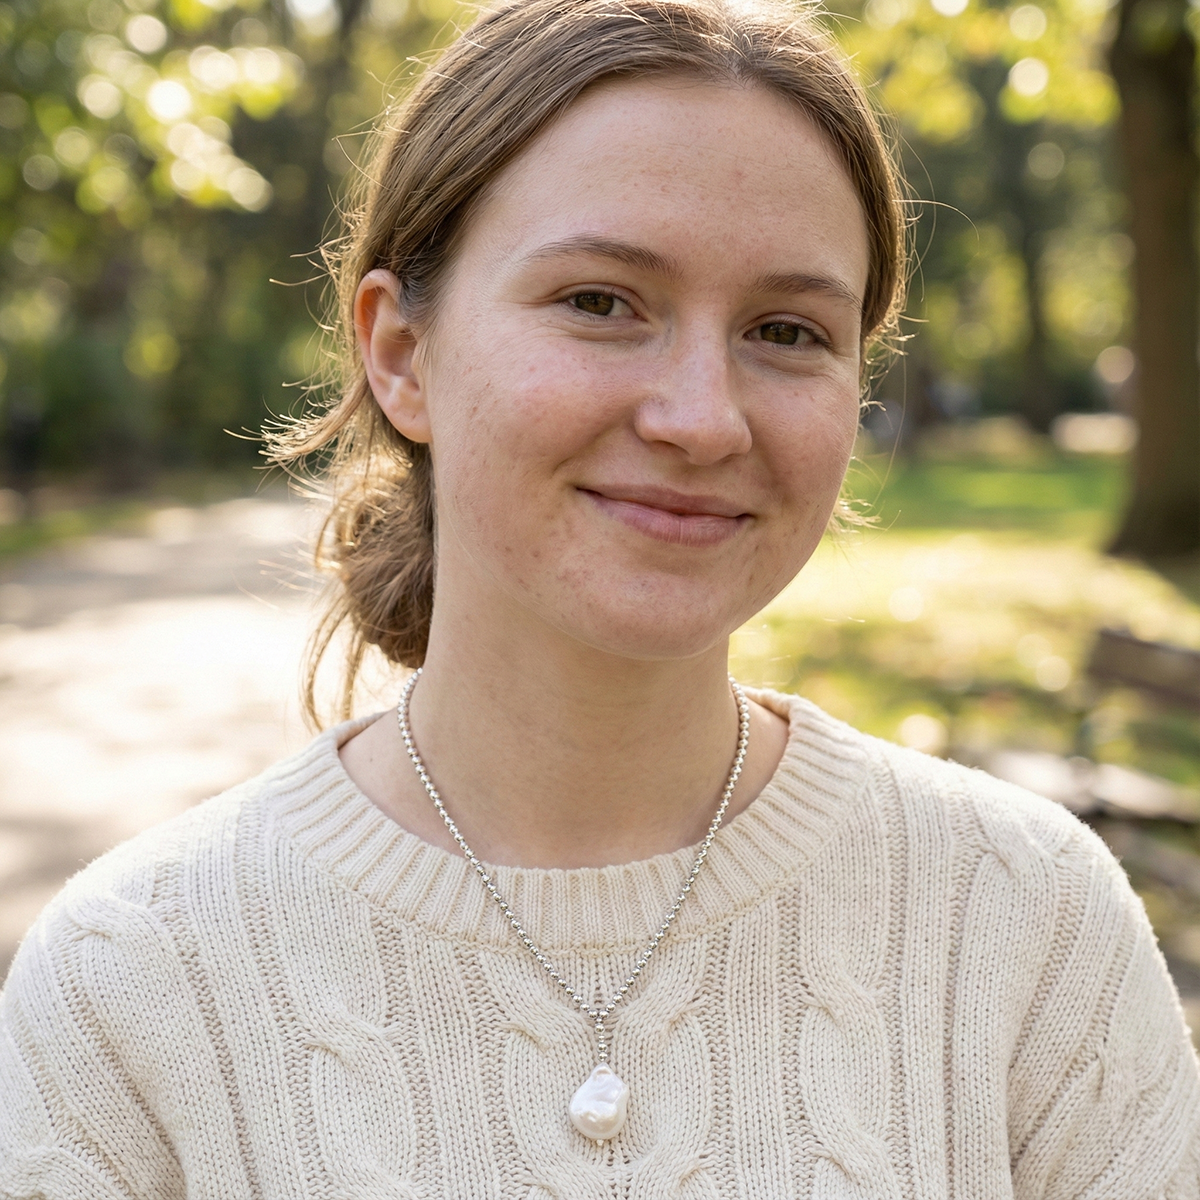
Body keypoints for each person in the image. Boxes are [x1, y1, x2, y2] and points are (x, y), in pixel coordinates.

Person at [2, 0, 1198, 1194]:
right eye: (600, 301)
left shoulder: (1025, 928)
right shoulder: (135, 985)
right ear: (401, 354)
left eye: (786, 330)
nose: (700, 417)